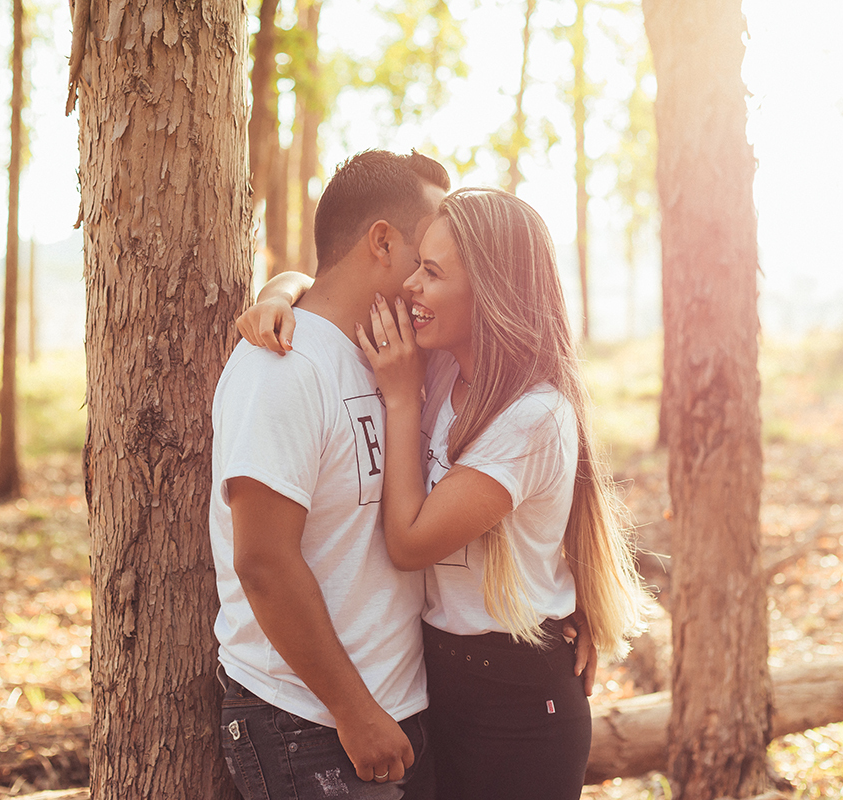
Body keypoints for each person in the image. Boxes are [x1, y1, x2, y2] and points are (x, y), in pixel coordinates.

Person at [241, 188, 648, 799]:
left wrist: (402, 400)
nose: (411, 286)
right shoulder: (440, 363)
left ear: (489, 289)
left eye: (431, 273)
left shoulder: (531, 416)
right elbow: (329, 283)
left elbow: (408, 544)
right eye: (417, 266)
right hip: (439, 683)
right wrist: (279, 290)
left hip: (518, 699)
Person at [209, 149, 450, 800]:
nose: (436, 274)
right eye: (425, 255)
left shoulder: (390, 355)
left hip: (400, 709)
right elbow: (263, 561)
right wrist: (354, 711)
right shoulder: (279, 367)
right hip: (309, 722)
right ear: (382, 242)